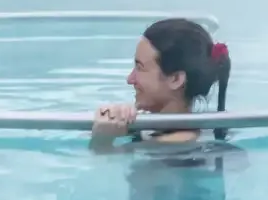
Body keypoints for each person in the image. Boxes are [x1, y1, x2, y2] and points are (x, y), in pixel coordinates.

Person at [89, 18, 235, 155]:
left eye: (140, 68)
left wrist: (102, 141)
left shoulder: (167, 150)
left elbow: (107, 165)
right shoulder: (201, 133)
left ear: (176, 79)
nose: (130, 79)